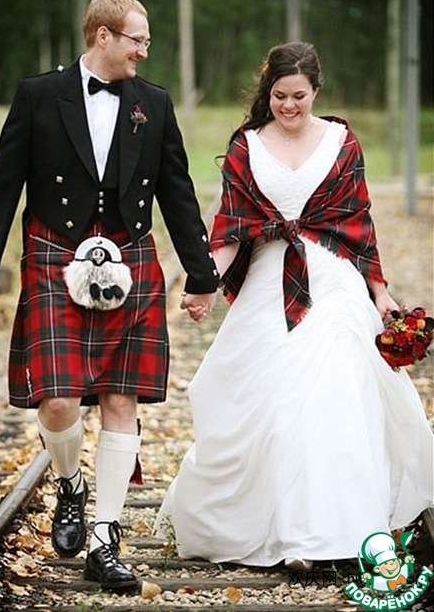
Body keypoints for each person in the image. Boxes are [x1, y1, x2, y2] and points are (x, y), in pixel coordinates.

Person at [0, 0, 218, 594]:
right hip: (55, 254)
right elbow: (1, 188)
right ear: (103, 36)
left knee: (120, 399)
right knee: (58, 401)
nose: (144, 50)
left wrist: (201, 275)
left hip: (130, 256)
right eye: (137, 40)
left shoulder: (153, 103)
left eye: (146, 41)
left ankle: (105, 538)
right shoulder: (39, 95)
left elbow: (177, 191)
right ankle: (70, 484)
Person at [155, 41, 433, 572]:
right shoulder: (246, 146)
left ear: (316, 92)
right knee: (274, 406)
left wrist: (380, 292)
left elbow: (360, 225)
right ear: (269, 92)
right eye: (280, 95)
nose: (288, 106)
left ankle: (331, 533)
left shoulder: (342, 142)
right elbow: (231, 230)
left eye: (299, 96)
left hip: (335, 281)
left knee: (336, 396)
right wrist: (203, 283)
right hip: (270, 280)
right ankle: (282, 530)